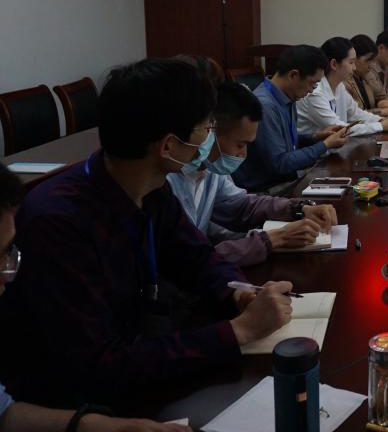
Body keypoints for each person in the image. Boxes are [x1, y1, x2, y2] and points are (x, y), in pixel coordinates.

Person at [0, 59, 294, 408]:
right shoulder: (58, 221)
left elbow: (196, 256)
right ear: (168, 146)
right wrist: (238, 332)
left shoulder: (151, 188)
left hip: (141, 356)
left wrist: (236, 292)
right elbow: (98, 364)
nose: (208, 138)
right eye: (206, 128)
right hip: (75, 399)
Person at [0, 165, 189, 432]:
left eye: (7, 253)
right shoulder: (57, 220)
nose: (7, 275)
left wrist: (109, 426)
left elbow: (5, 413)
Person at [167, 82, 338, 266]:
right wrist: (270, 241)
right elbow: (184, 261)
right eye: (240, 145)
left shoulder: (210, 171)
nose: (243, 154)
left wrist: (299, 209)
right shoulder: (167, 180)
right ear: (210, 131)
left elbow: (241, 207)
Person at [232, 45, 349, 192]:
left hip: (285, 179)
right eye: (312, 83)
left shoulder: (287, 97)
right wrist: (325, 145)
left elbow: (285, 142)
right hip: (267, 189)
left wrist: (315, 137)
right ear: (293, 75)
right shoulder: (265, 105)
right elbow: (280, 163)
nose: (311, 90)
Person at [297, 37, 388, 138]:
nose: (354, 68)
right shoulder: (315, 92)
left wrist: (381, 120)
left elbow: (356, 113)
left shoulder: (339, 86)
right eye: (351, 62)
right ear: (334, 64)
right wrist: (380, 126)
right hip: (315, 148)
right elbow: (338, 128)